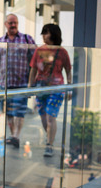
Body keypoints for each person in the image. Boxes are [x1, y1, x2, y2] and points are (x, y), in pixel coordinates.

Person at [0, 14, 36, 148]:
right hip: (6, 84)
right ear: (5, 24)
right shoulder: (0, 41)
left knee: (19, 112)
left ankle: (16, 136)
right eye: (11, 23)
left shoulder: (27, 39)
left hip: (22, 84)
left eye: (15, 23)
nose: (13, 25)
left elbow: (36, 58)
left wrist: (34, 79)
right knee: (8, 112)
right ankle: (13, 135)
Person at [28, 24, 72, 157]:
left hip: (57, 87)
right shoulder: (39, 50)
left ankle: (49, 145)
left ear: (53, 34)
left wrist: (69, 88)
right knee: (43, 118)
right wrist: (30, 86)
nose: (43, 36)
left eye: (46, 33)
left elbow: (68, 71)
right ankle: (49, 139)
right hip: (41, 87)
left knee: (50, 118)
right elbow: (33, 69)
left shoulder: (62, 52)